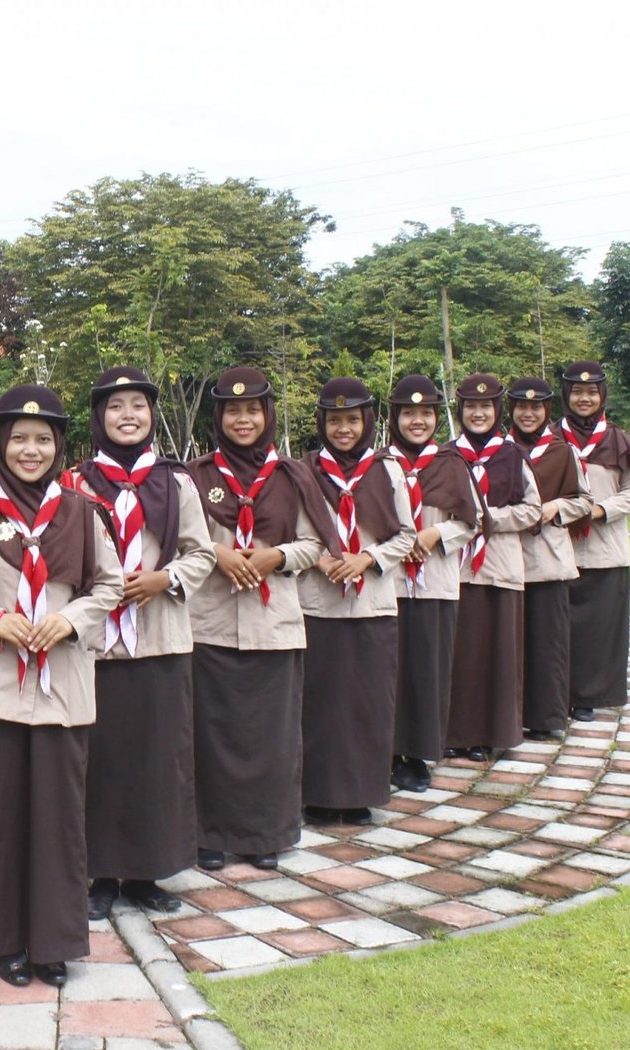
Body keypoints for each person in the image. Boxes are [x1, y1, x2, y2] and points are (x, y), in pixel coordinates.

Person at [0, 384, 122, 988]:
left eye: (42, 439)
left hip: (63, 688)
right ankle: (0, 941)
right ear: (0, 444)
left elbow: (110, 588)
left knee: (58, 820)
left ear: (60, 445)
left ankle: (52, 942)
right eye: (18, 439)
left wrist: (70, 620)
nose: (30, 450)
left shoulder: (83, 513)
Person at [60, 367, 214, 921]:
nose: (128, 415)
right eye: (116, 406)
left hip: (160, 640)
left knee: (156, 759)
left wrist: (163, 579)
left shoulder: (176, 484)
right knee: (98, 759)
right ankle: (100, 871)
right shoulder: (74, 485)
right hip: (97, 644)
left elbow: (202, 553)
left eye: (138, 406)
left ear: (153, 415)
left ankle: (148, 871)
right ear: (98, 417)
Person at [188, 367, 337, 870]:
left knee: (272, 737)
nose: (243, 419)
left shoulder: (293, 475)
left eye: (253, 409)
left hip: (274, 624)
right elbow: (178, 541)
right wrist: (217, 553)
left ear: (267, 414)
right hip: (208, 624)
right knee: (210, 734)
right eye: (233, 410)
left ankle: (265, 833)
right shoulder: (196, 475)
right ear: (219, 417)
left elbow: (316, 544)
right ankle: (208, 833)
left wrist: (276, 557)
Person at [297, 379, 416, 826]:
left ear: (367, 421)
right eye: (334, 420)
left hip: (373, 604)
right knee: (320, 701)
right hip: (318, 604)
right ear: (321, 423)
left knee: (368, 701)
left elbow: (406, 534)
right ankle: (318, 794)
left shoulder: (388, 470)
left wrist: (368, 557)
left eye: (351, 420)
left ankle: (361, 793)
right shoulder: (305, 470)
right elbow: (294, 533)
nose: (342, 429)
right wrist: (324, 559)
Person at [386, 375, 479, 792]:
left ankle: (419, 754)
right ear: (394, 418)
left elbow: (470, 521)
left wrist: (432, 536)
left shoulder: (450, 463)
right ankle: (387, 749)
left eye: (425, 413)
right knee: (389, 670)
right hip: (387, 585)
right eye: (408, 413)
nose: (417, 421)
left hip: (434, 584)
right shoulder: (378, 464)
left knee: (427, 670)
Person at [446, 373, 541, 762]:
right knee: (460, 654)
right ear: (461, 411)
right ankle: (455, 732)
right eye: (471, 407)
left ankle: (491, 734)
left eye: (486, 407)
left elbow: (533, 510)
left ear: (497, 410)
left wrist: (490, 519)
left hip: (501, 566)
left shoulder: (513, 455)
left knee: (498, 655)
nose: (479, 413)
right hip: (458, 569)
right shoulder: (446, 456)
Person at [558, 361, 630, 722]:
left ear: (601, 395)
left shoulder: (617, 438)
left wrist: (599, 510)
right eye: (577, 392)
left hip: (606, 550)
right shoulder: (550, 438)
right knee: (558, 629)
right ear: (566, 395)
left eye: (591, 392)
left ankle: (588, 697)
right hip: (559, 551)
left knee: (599, 631)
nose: (584, 398)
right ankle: (556, 693)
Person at [507, 376, 591, 741]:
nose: (528, 414)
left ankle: (545, 717)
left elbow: (584, 501)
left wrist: (554, 507)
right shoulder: (497, 450)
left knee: (547, 642)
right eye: (521, 407)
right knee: (509, 643)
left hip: (547, 558)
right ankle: (507, 716)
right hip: (505, 557)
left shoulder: (562, 450)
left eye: (535, 407)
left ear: (546, 410)